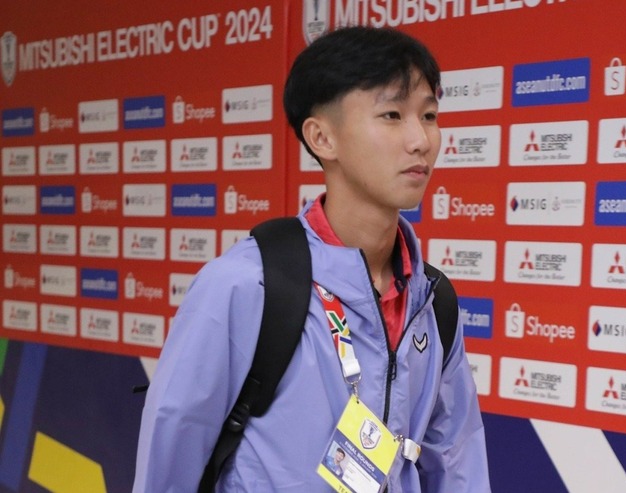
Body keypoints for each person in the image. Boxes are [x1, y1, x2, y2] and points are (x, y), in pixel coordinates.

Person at [133, 26, 490, 492]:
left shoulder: (431, 301)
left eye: (429, 115)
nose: (420, 139)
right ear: (322, 138)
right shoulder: (247, 284)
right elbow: (170, 459)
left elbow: (457, 463)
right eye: (392, 114)